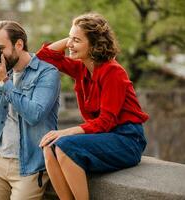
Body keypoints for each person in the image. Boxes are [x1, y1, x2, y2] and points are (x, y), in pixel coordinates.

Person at [37, 12, 149, 200]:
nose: (70, 45)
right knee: (49, 147)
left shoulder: (113, 72)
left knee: (63, 145)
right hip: (104, 136)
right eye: (70, 39)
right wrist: (74, 37)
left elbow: (105, 122)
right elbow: (44, 57)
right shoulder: (81, 68)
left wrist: (65, 132)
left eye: (77, 40)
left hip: (128, 139)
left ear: (94, 44)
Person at [0, 20, 60, 200]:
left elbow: (35, 114)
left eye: (0, 49)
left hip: (29, 165)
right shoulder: (1, 72)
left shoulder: (47, 73)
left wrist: (4, 82)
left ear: (19, 44)